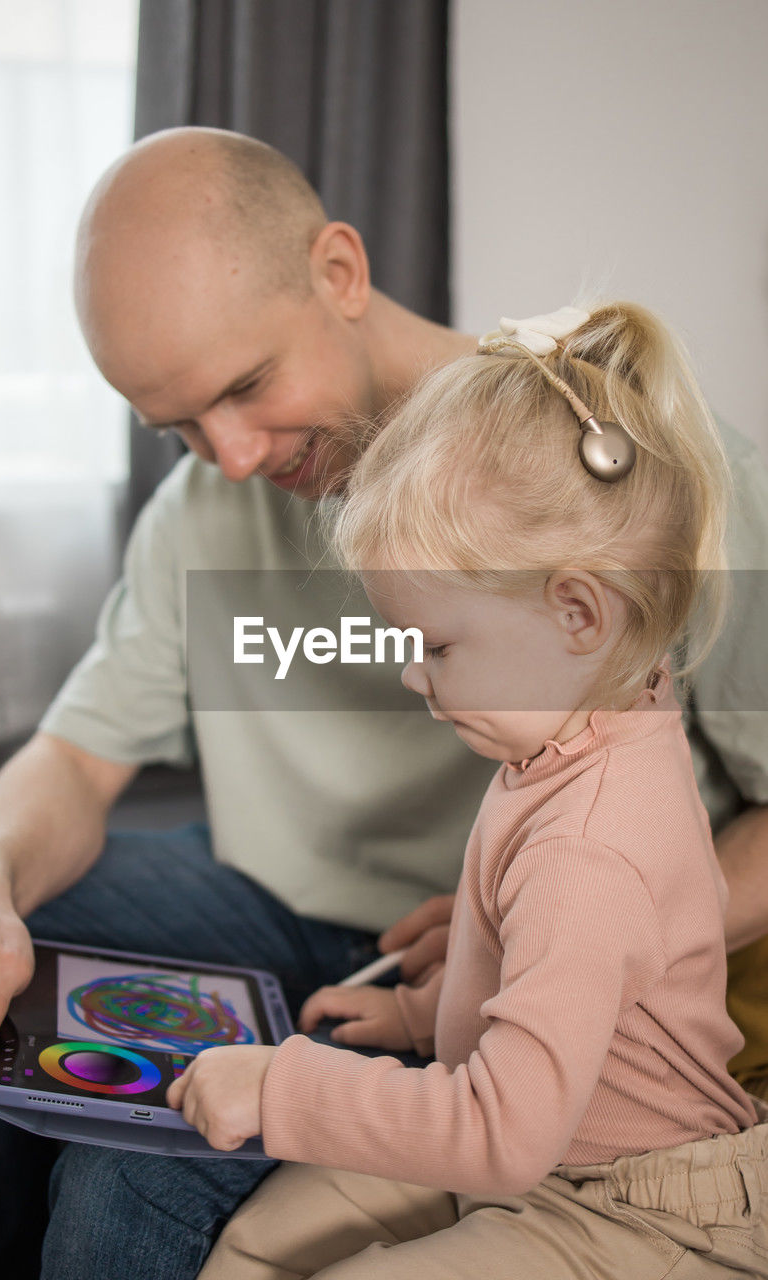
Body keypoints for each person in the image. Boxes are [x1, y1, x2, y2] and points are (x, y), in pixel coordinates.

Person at [0, 129, 765, 1280]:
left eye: (245, 386)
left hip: (512, 957)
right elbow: (75, 754)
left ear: (339, 272)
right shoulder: (202, 507)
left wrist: (551, 928)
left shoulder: (644, 478)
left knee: (125, 1172)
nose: (229, 456)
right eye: (179, 427)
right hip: (279, 915)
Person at [187, 302, 768, 1279]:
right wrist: (421, 1017)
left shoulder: (589, 844)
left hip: (637, 1208)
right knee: (250, 1243)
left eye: (436, 645)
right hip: (533, 1139)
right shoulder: (594, 716)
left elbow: (502, 1126)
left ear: (577, 611)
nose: (413, 675)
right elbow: (562, 981)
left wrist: (282, 1084)